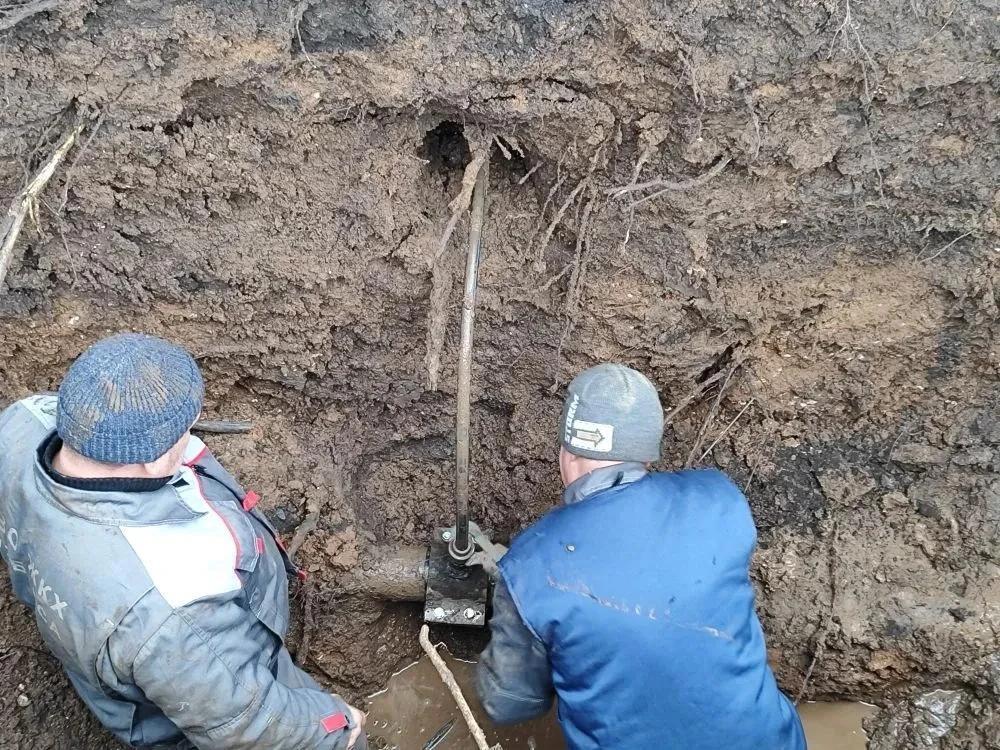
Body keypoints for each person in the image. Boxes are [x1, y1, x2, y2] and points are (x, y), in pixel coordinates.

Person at [0, 333, 366, 749]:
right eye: (185, 431)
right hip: (190, 697)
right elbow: (250, 726)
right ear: (152, 459)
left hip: (101, 634)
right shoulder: (174, 610)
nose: (190, 437)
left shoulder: (19, 423)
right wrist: (337, 727)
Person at [473, 363, 806, 750]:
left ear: (567, 451)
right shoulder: (720, 499)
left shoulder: (529, 567)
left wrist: (514, 608)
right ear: (647, 454)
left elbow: (507, 704)